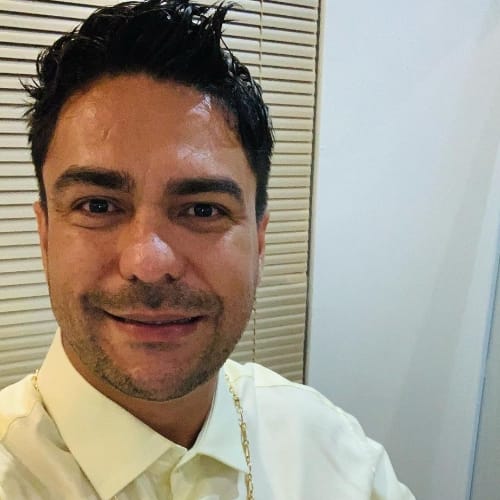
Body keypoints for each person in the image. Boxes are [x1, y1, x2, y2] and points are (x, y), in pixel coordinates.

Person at [0, 1, 415, 498]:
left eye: (202, 210)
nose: (148, 263)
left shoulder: (333, 453)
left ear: (259, 238)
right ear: (45, 233)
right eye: (98, 205)